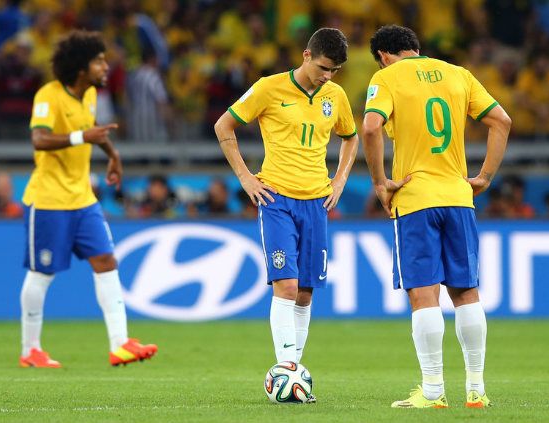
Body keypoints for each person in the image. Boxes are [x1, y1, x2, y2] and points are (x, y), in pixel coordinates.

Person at [362, 25, 511, 409]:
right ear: (415, 47)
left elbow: (371, 127)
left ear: (383, 55)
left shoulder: (386, 77)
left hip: (414, 199)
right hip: (459, 196)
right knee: (466, 292)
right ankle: (476, 390)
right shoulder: (459, 74)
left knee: (423, 292)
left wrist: (381, 182)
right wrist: (485, 177)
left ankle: (432, 392)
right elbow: (502, 121)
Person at [214, 28, 359, 403]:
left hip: (316, 202)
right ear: (307, 55)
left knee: (306, 293)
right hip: (276, 198)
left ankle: (292, 373)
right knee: (288, 287)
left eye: (336, 71)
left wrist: (339, 180)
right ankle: (288, 373)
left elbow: (351, 136)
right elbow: (223, 125)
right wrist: (246, 178)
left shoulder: (335, 96)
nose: (328, 76)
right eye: (325, 68)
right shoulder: (268, 88)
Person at [19, 30, 157, 368]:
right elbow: (39, 139)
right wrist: (84, 136)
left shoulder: (91, 94)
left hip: (82, 198)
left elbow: (92, 127)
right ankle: (30, 350)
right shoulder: (49, 95)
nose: (106, 66)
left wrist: (112, 153)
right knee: (41, 274)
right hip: (49, 200)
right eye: (99, 61)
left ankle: (120, 344)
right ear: (81, 67)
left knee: (106, 261)